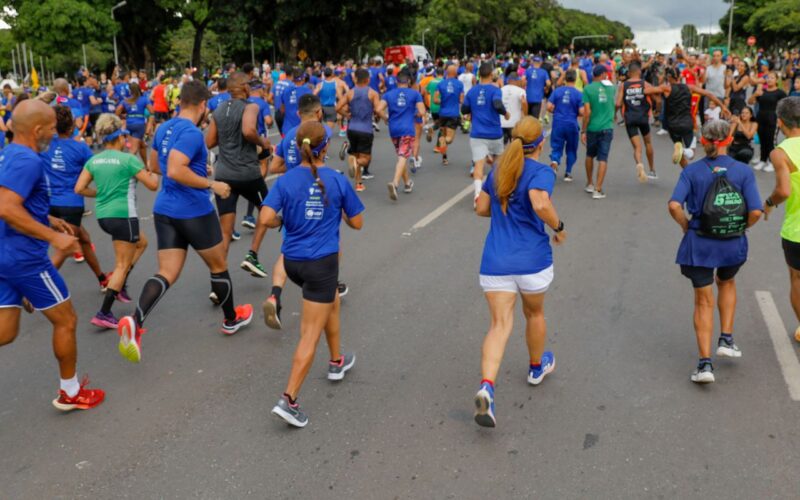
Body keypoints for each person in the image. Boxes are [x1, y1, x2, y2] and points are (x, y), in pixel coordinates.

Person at [116, 80, 254, 364]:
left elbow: (155, 166)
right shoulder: (192, 133)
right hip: (193, 210)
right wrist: (212, 184)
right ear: (202, 105)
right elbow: (176, 170)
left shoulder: (164, 127)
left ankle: (135, 321)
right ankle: (231, 319)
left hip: (165, 209)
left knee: (166, 272)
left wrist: (196, 168)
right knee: (218, 265)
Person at [0, 99, 105, 411]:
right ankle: (70, 392)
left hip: (6, 254)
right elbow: (6, 208)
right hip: (25, 258)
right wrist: (55, 237)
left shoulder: (9, 154)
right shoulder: (28, 161)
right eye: (50, 128)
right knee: (66, 320)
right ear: (36, 130)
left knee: (5, 331)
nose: (53, 133)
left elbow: (12, 199)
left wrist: (47, 218)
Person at [261, 121, 364, 428]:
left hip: (293, 262)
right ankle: (288, 400)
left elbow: (265, 217)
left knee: (331, 301)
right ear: (325, 147)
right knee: (309, 333)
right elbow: (357, 223)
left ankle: (336, 361)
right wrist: (339, 210)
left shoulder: (286, 179)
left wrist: (284, 221)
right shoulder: (337, 179)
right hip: (321, 264)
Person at [472, 116, 565, 428]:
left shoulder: (499, 170)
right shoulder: (541, 171)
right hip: (532, 261)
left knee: (499, 325)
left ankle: (487, 387)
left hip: (496, 260)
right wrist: (559, 227)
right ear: (541, 143)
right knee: (534, 314)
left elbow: (481, 208)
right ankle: (536, 368)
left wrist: (505, 208)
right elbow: (540, 203)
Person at [668, 120, 763, 384]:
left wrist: (686, 225)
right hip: (732, 243)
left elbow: (674, 205)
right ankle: (726, 339)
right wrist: (741, 227)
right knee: (727, 281)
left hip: (700, 243)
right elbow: (756, 211)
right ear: (729, 140)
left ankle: (705, 365)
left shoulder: (692, 171)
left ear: (703, 140)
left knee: (703, 300)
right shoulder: (743, 171)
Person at [74, 113, 158, 328]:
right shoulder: (128, 159)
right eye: (124, 136)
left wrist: (100, 193)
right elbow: (152, 185)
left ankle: (119, 283)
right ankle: (104, 312)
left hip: (104, 217)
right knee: (122, 264)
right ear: (120, 137)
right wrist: (153, 170)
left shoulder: (94, 160)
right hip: (124, 215)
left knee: (142, 242)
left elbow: (79, 188)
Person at [205, 72, 272, 280]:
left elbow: (209, 142)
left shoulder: (218, 109)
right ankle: (252, 255)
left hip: (224, 175)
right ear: (244, 87)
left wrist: (228, 138)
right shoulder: (250, 107)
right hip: (248, 174)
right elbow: (249, 130)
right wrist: (263, 142)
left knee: (225, 231)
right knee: (268, 211)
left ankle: (219, 280)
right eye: (249, 85)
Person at [43, 106, 109, 289]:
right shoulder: (80, 148)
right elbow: (97, 171)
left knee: (84, 239)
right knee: (64, 249)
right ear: (71, 126)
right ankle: (38, 290)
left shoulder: (44, 145)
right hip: (70, 205)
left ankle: (102, 279)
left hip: (48, 205)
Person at [763, 97, 800, 342]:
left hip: (797, 230)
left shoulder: (780, 153)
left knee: (797, 278)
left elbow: (783, 191)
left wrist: (768, 203)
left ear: (780, 122)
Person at [463, 62, 509, 207]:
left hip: (477, 134)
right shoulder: (495, 90)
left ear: (479, 75)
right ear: (491, 74)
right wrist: (505, 113)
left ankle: (477, 195)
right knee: (498, 165)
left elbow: (464, 109)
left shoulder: (472, 91)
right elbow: (497, 104)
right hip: (494, 133)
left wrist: (474, 108)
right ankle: (496, 192)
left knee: (479, 165)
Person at [380, 70, 423, 201]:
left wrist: (385, 118)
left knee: (401, 156)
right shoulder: (415, 94)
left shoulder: (388, 94)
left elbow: (378, 109)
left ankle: (407, 183)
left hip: (393, 129)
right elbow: (422, 111)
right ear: (408, 81)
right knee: (403, 156)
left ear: (396, 82)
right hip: (407, 129)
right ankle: (395, 184)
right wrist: (415, 114)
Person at [615, 61, 660, 182]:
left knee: (637, 147)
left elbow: (618, 103)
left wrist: (614, 114)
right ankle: (652, 170)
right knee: (648, 143)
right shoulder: (645, 84)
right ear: (639, 72)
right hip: (643, 117)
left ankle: (639, 163)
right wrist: (657, 111)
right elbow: (657, 99)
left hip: (630, 118)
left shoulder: (623, 85)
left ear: (629, 73)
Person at [338, 68, 380, 191]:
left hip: (352, 128)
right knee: (365, 159)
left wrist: (347, 115)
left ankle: (358, 183)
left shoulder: (350, 93)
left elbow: (338, 107)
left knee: (356, 154)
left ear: (355, 79)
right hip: (366, 129)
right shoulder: (373, 93)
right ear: (368, 80)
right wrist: (378, 117)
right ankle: (355, 163)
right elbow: (378, 110)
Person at [581, 65, 616, 199]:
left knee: (589, 155)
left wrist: (583, 130)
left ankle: (590, 183)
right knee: (603, 158)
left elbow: (587, 112)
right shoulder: (611, 88)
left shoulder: (587, 89)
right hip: (607, 127)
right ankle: (598, 189)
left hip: (592, 128)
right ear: (602, 75)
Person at [548, 69, 582, 182]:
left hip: (558, 123)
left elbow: (549, 106)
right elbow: (582, 111)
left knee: (556, 146)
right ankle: (568, 172)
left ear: (565, 79)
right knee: (571, 148)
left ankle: (554, 162)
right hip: (572, 124)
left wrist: (555, 111)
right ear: (575, 79)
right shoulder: (578, 94)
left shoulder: (557, 91)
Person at [749, 72, 787, 172]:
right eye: (768, 78)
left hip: (773, 119)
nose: (769, 79)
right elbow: (750, 102)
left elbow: (786, 105)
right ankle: (762, 160)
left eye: (772, 78)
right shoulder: (762, 91)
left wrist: (782, 119)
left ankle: (772, 162)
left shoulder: (780, 93)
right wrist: (755, 94)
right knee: (762, 140)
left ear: (776, 80)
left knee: (771, 141)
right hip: (760, 118)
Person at [433, 65, 464, 166]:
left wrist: (443, 101)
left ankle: (444, 158)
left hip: (442, 114)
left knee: (443, 135)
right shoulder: (459, 84)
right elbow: (461, 100)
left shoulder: (441, 84)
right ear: (455, 73)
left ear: (446, 72)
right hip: (453, 114)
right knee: (449, 139)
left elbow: (435, 100)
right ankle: (443, 140)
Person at [116, 84, 151, 165]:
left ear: (130, 91)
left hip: (129, 124)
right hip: (139, 125)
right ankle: (124, 166)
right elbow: (152, 111)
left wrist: (122, 116)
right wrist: (149, 122)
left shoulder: (126, 100)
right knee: (133, 149)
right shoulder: (144, 99)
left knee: (142, 145)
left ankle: (146, 166)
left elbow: (117, 111)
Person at [500, 73, 527, 144]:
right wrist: (525, 115)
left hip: (501, 123)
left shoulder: (501, 89)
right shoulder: (520, 90)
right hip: (514, 123)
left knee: (501, 146)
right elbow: (523, 102)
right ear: (516, 80)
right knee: (514, 145)